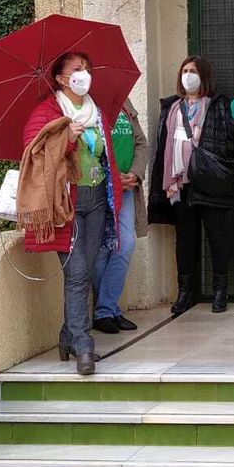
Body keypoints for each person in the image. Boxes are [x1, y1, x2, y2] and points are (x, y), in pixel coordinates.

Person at [19, 51, 122, 376]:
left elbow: (106, 154)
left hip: (97, 197)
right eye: (77, 69)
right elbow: (33, 151)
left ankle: (68, 334)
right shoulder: (47, 111)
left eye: (87, 68)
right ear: (61, 78)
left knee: (87, 270)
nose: (84, 74)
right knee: (76, 274)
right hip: (65, 203)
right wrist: (67, 139)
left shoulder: (96, 110)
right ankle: (82, 344)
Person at [148, 56, 234, 316]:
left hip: (210, 180)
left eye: (193, 71)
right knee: (185, 240)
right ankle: (185, 293)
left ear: (204, 76)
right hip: (180, 184)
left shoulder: (218, 104)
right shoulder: (171, 106)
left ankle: (220, 291)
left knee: (217, 238)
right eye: (185, 71)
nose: (188, 75)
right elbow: (162, 144)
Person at [92, 96, 148, 335]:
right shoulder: (88, 106)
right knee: (101, 249)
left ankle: (105, 309)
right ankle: (108, 310)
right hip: (99, 187)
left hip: (126, 189)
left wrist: (135, 173)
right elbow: (88, 149)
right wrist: (113, 177)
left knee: (125, 245)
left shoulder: (125, 103)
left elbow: (141, 143)